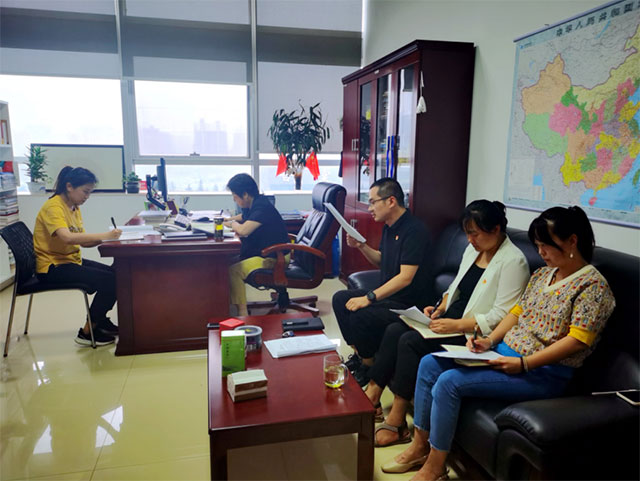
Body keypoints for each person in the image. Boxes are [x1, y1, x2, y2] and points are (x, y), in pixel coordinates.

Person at [382, 206, 616, 480]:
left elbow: (577, 341)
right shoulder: (544, 274)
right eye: (538, 245)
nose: (541, 252)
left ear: (572, 241)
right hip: (502, 352)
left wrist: (524, 363)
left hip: (543, 372)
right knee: (429, 363)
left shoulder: (593, 287)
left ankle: (436, 466)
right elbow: (516, 313)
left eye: (546, 245)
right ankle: (419, 446)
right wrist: (489, 340)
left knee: (449, 382)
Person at [367, 200, 529, 447]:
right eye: (467, 233)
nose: (470, 240)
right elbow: (455, 287)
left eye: (474, 234)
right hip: (449, 319)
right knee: (394, 329)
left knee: (410, 341)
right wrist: (440, 306)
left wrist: (456, 325)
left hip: (472, 331)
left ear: (496, 229)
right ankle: (373, 396)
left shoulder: (514, 261)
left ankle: (397, 422)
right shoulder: (473, 250)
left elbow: (501, 314)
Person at [332, 178, 431, 387]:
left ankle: (368, 368)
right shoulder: (389, 227)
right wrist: (361, 246)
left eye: (373, 202)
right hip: (389, 297)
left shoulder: (414, 231)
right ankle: (361, 356)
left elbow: (405, 277)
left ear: (391, 201)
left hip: (407, 304)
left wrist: (369, 297)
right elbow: (381, 260)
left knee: (360, 314)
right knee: (340, 299)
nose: (370, 208)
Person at [33, 166, 122, 346]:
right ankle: (88, 332)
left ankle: (99, 320)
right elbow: (67, 237)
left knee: (118, 274)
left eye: (89, 192)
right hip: (52, 267)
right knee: (110, 280)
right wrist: (105, 236)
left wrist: (106, 239)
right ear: (69, 187)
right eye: (85, 191)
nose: (87, 197)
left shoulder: (73, 207)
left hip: (69, 261)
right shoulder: (53, 207)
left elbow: (82, 241)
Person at [224, 173, 289, 316]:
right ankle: (226, 303)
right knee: (225, 261)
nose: (234, 199)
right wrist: (226, 220)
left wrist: (232, 224)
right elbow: (244, 217)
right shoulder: (255, 203)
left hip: (275, 257)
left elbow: (244, 230)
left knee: (234, 270)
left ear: (245, 194)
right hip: (268, 252)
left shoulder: (262, 207)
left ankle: (242, 313)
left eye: (235, 196)